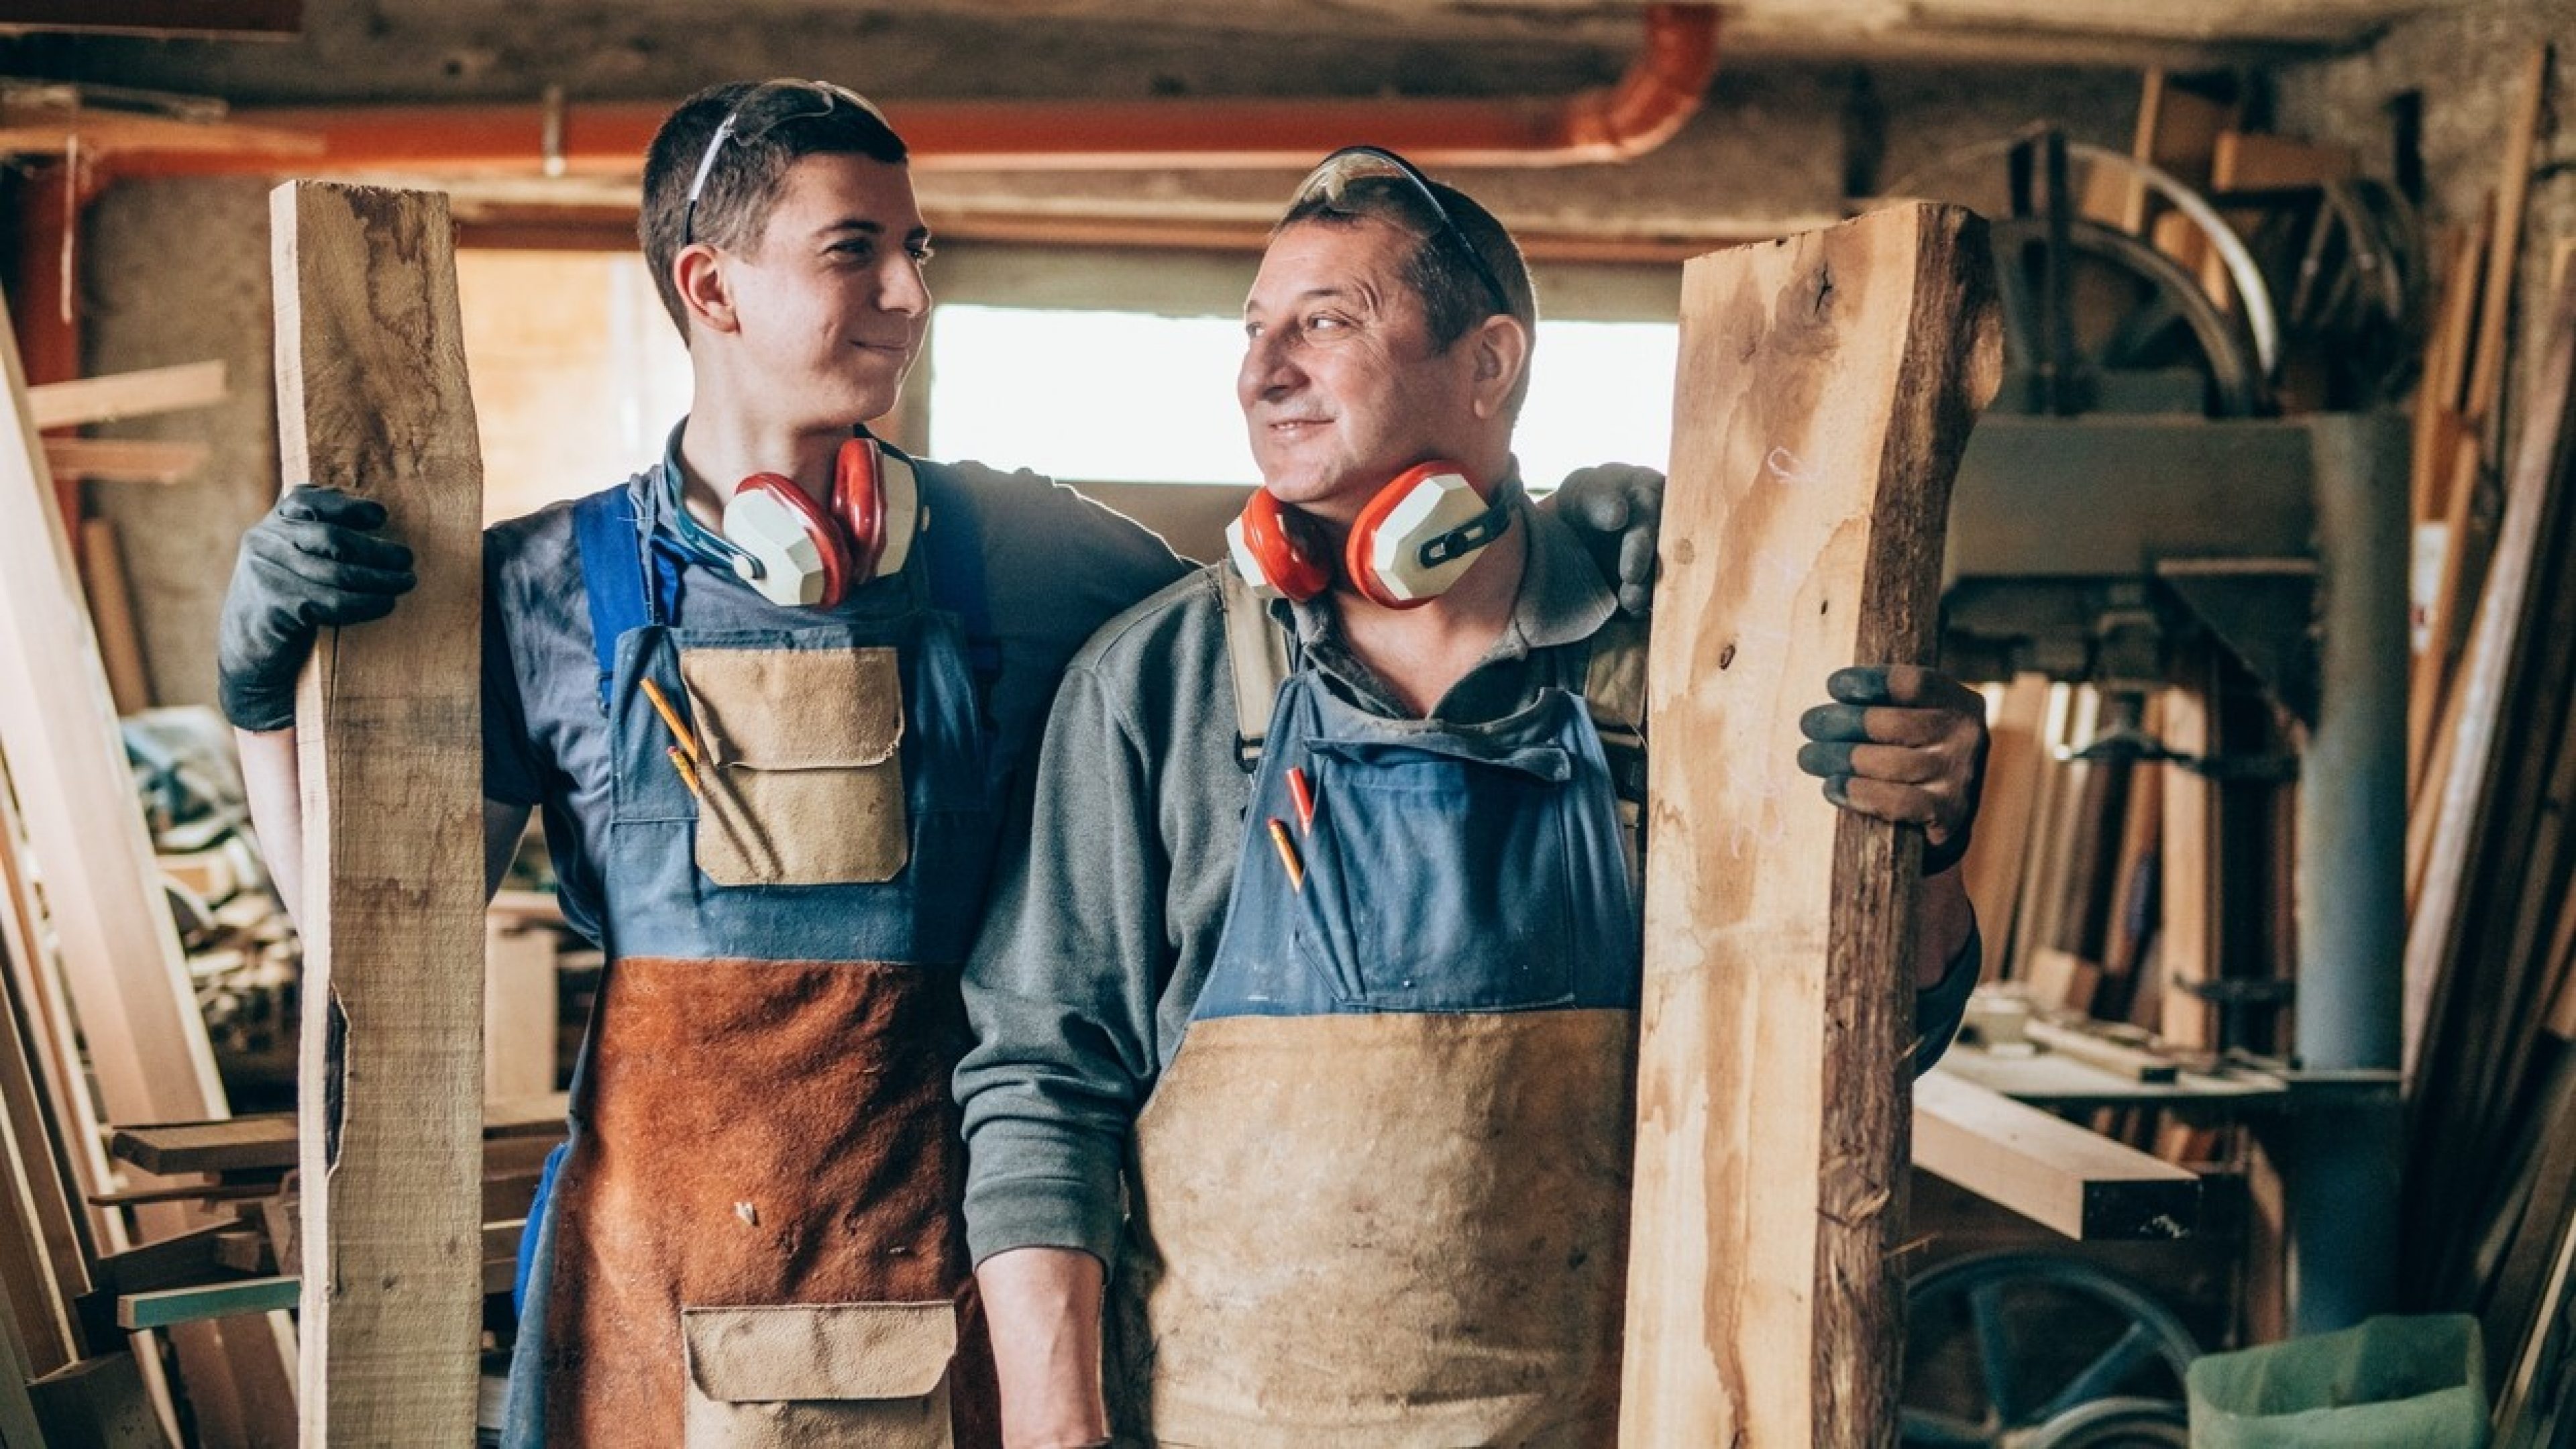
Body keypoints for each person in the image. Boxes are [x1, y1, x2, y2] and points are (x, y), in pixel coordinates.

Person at [214, 92, 1665, 1448]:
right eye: (859, 252)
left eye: (917, 250)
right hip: (654, 1292)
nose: (911, 292)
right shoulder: (546, 586)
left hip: (951, 1280)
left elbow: (1300, 618)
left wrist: (1584, 549)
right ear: (712, 289)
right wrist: (264, 695)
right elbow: (370, 925)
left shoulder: (1026, 555)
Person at [953, 146, 1989, 1449]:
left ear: (1490, 363)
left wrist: (1929, 840)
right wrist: (1060, 1430)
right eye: (1256, 330)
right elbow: (1042, 1083)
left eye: (1325, 322)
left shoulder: (1684, 666)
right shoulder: (1159, 685)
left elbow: (1864, 1042)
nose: (1264, 371)